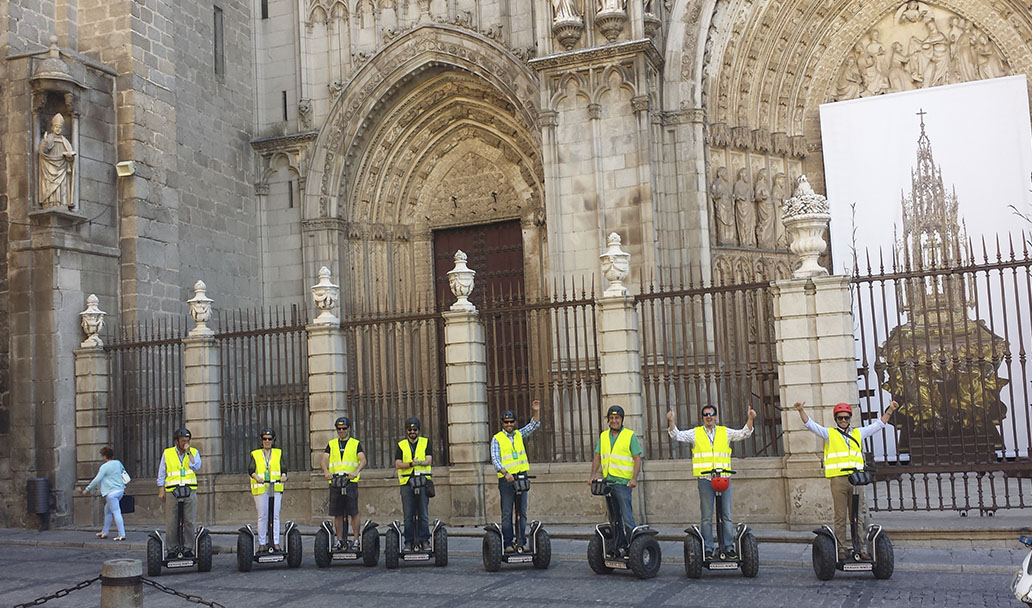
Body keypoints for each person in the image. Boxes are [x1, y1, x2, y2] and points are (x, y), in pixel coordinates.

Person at [794, 400, 899, 559]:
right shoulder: (830, 433)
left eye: (846, 418)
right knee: (840, 516)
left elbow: (878, 425)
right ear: (836, 419)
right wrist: (801, 410)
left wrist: (890, 410)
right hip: (838, 480)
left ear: (850, 418)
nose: (843, 420)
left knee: (858, 516)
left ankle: (860, 548)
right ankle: (842, 548)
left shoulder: (858, 433)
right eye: (840, 418)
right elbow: (811, 425)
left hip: (857, 480)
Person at [666, 404, 756, 559]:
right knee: (706, 517)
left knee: (726, 515)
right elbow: (676, 435)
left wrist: (750, 418)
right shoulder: (696, 433)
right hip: (705, 480)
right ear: (703, 417)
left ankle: (728, 547)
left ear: (716, 416)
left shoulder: (724, 432)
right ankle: (708, 548)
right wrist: (671, 420)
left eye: (712, 414)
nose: (709, 417)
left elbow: (744, 433)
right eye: (706, 414)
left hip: (724, 479)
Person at [587, 405, 642, 553]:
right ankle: (620, 545)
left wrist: (634, 479)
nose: (614, 421)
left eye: (617, 418)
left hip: (623, 483)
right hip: (608, 483)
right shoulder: (604, 436)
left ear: (621, 420)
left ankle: (635, 548)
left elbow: (637, 459)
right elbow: (597, 457)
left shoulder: (629, 435)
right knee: (613, 518)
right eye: (611, 418)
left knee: (627, 517)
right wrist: (593, 475)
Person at [490, 400, 542, 553]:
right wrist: (505, 473)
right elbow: (495, 459)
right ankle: (507, 543)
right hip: (506, 480)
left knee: (522, 512)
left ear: (515, 422)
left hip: (521, 478)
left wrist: (536, 411)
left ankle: (521, 541)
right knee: (507, 512)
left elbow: (533, 425)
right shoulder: (497, 438)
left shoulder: (519, 434)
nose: (509, 424)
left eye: (511, 421)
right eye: (506, 422)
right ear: (502, 423)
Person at [320, 416, 366, 550]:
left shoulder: (355, 443)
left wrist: (356, 471)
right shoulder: (332, 444)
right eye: (339, 429)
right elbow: (323, 460)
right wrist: (326, 471)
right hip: (335, 481)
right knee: (337, 513)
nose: (341, 431)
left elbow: (363, 460)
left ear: (349, 429)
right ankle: (340, 540)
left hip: (350, 482)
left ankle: (356, 539)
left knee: (353, 512)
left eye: (344, 428)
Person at [157, 428, 202, 556]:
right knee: (171, 522)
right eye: (183, 441)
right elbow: (162, 472)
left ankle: (188, 549)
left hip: (190, 490)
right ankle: (172, 549)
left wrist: (189, 453)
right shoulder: (168, 453)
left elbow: (196, 466)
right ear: (176, 441)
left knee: (189, 521)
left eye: (187, 440)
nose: (185, 443)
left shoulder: (193, 452)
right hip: (173, 491)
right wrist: (161, 489)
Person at [395, 416, 432, 552]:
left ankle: (425, 541)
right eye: (410, 430)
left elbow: (429, 460)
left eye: (415, 429)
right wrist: (410, 464)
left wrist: (419, 463)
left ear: (418, 430)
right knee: (408, 515)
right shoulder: (401, 445)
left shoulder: (425, 442)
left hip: (422, 482)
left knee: (423, 514)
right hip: (406, 483)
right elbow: (398, 464)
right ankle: (408, 542)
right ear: (406, 431)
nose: (412, 432)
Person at [249, 427, 288, 552]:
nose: (267, 441)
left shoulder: (278, 453)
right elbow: (251, 469)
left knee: (275, 516)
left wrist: (283, 476)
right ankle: (261, 543)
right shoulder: (255, 454)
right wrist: (256, 477)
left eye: (269, 439)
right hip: (261, 488)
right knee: (263, 516)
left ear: (273, 440)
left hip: (275, 488)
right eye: (264, 439)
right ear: (261, 440)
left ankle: (276, 542)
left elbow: (284, 468)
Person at [81, 446, 127, 541]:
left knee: (116, 512)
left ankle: (121, 534)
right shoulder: (118, 463)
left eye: (102, 456)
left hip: (111, 493)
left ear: (105, 456)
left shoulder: (104, 467)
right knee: (107, 510)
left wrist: (87, 489)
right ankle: (104, 532)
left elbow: (97, 479)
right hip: (120, 491)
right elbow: (123, 473)